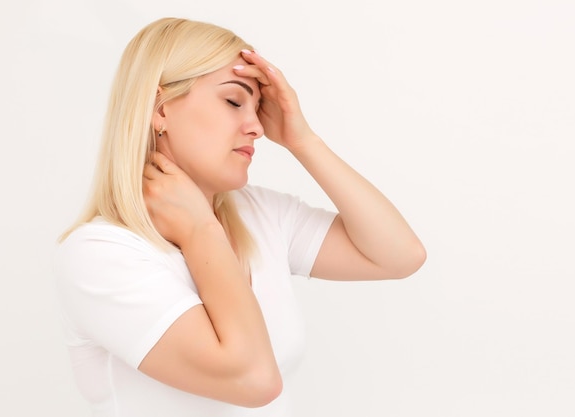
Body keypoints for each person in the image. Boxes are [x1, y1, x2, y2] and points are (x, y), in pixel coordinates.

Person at [54, 17, 426, 417]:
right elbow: (253, 382)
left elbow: (400, 255)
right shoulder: (99, 255)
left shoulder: (261, 214)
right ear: (158, 109)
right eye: (234, 101)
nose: (256, 128)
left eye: (258, 107)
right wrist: (200, 231)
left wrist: (303, 140)